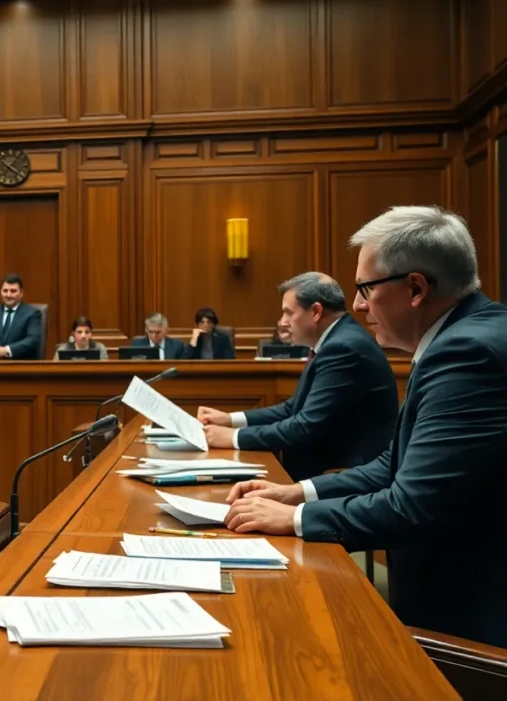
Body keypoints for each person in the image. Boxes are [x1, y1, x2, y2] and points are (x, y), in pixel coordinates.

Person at [223, 206, 507, 647]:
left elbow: (411, 505)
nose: (356, 305)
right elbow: (393, 464)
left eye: (365, 289)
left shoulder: (466, 355)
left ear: (415, 288)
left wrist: (294, 518)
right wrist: (294, 493)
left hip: (470, 626)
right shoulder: (469, 334)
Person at [198, 273, 398, 480]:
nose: (283, 322)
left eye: (288, 313)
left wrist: (234, 437)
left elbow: (304, 426)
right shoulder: (336, 340)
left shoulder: (343, 347)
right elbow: (292, 408)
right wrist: (229, 419)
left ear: (316, 312)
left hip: (343, 477)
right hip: (327, 468)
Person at [0, 273, 44, 360]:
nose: (8, 295)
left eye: (13, 291)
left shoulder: (32, 313)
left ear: (21, 293)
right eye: (5, 291)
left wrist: (6, 350)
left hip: (20, 367)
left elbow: (33, 339)